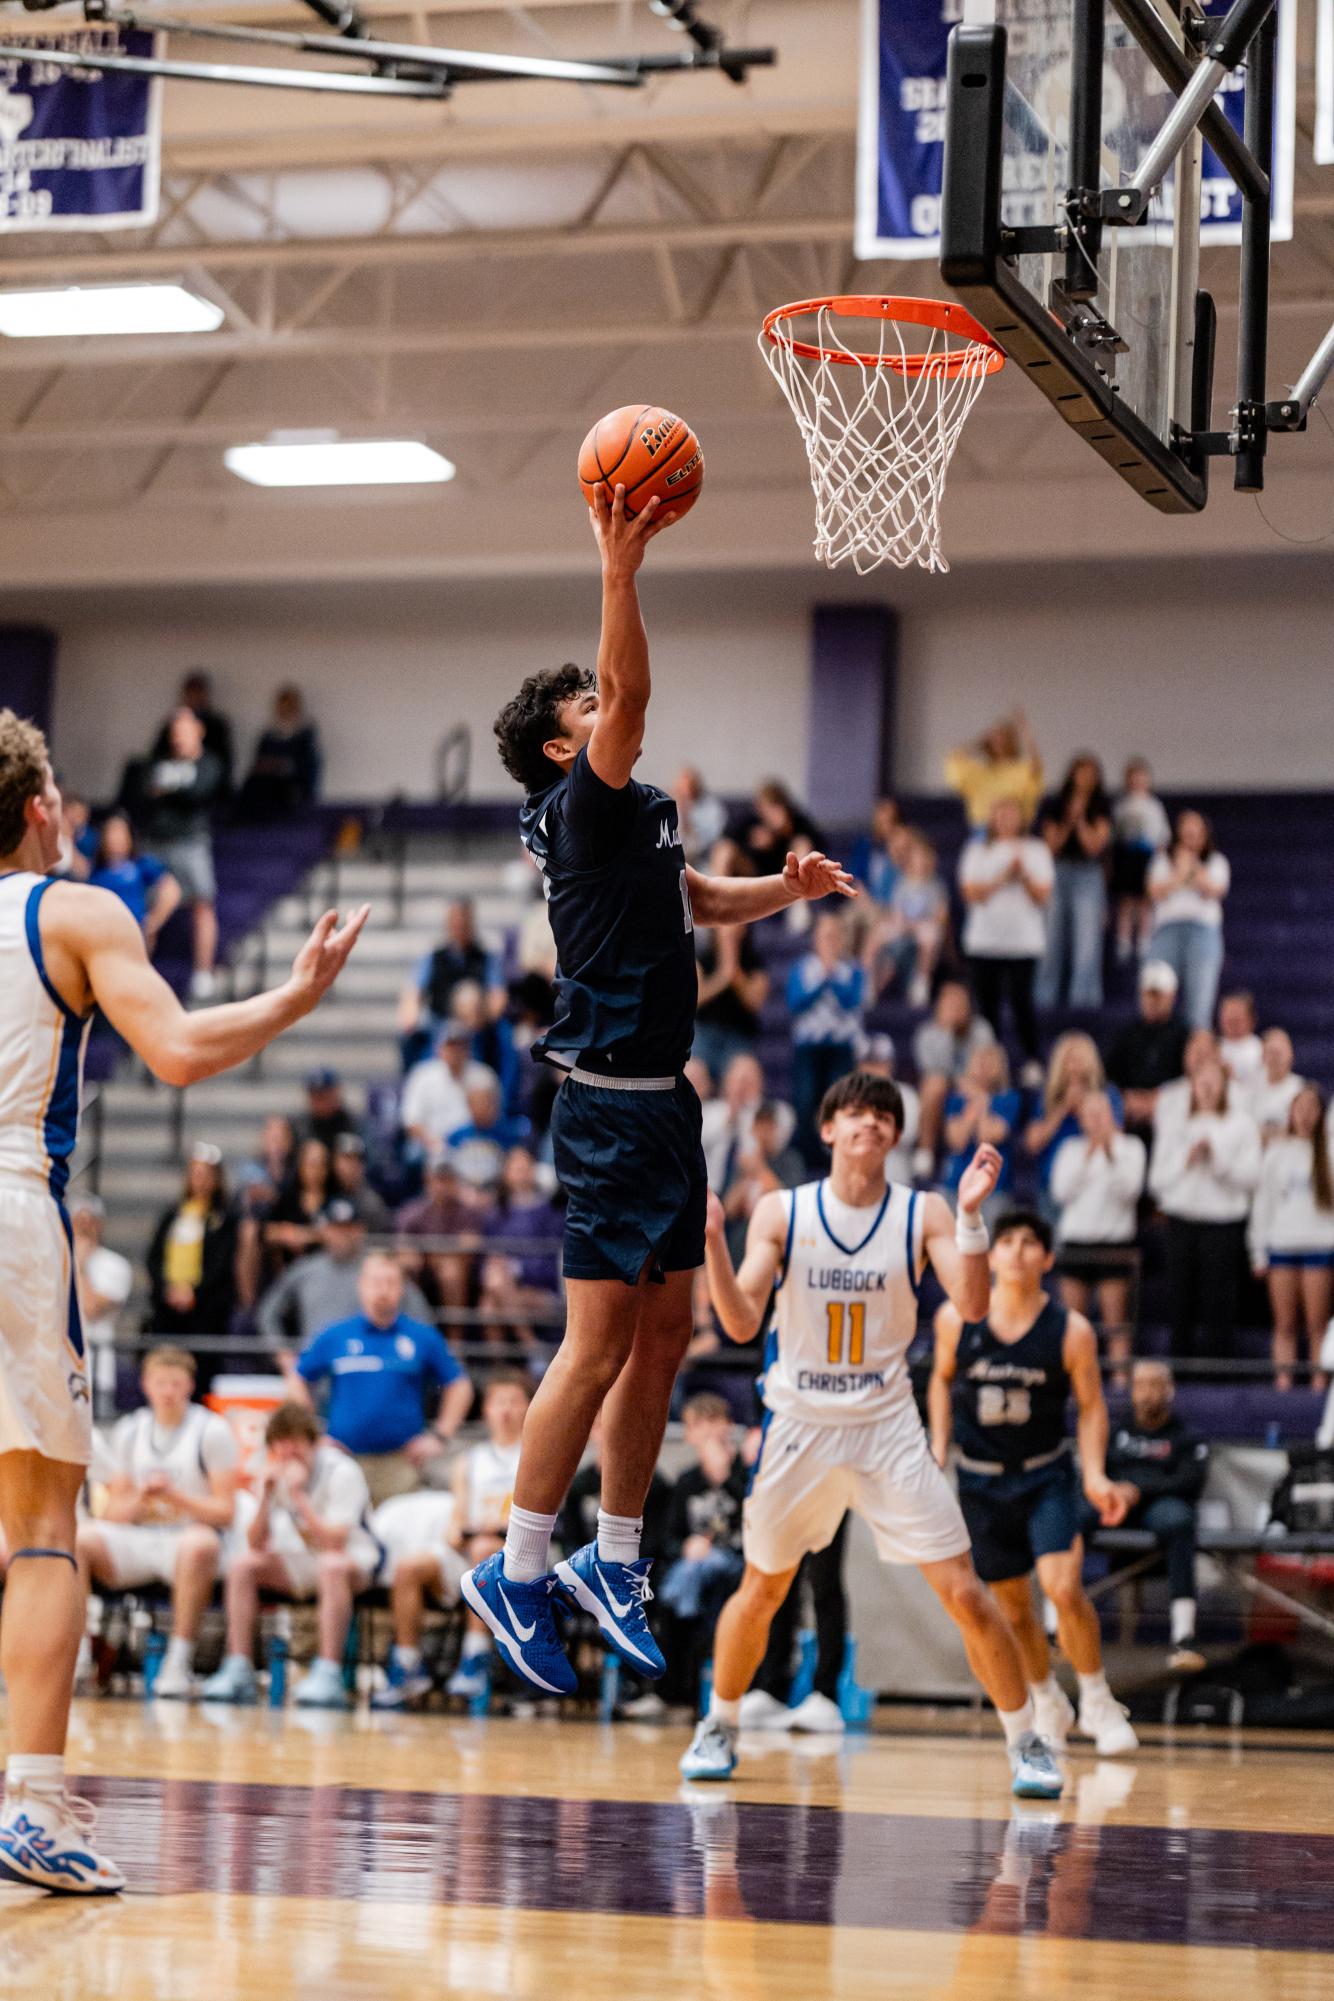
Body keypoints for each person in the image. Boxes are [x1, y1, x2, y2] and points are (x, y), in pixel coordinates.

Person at [474, 482, 854, 1698]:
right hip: (602, 1105)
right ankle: (515, 1567)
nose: (606, 710)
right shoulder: (581, 805)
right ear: (559, 746)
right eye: (583, 710)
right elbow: (630, 695)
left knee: (667, 1337)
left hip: (665, 1104)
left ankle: (615, 1555)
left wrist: (783, 892)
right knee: (593, 1348)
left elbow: (690, 900)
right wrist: (617, 565)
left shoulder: (637, 816)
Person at [0, 706, 364, 1891]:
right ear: (42, 809)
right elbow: (179, 1052)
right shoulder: (74, 909)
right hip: (11, 1206)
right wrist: (294, 998)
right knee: (41, 1533)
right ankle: (32, 1807)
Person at [681, 1069, 1064, 1799]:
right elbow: (740, 1321)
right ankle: (718, 1724)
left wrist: (972, 1217)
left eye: (884, 1115)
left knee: (964, 1590)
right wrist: (713, 1248)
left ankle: (1027, 1741)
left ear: (895, 1135)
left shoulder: (924, 1211)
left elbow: (973, 1306)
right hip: (800, 1423)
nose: (871, 1122)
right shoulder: (783, 1210)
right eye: (855, 1112)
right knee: (762, 1588)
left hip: (886, 1425)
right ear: (827, 1129)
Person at [929, 1209, 1137, 1757]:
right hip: (981, 1480)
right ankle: (1047, 1700)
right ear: (990, 1254)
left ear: (1047, 1259)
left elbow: (1092, 1407)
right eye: (1007, 1241)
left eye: (1029, 1243)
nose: (1017, 1251)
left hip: (1046, 1474)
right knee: (1014, 1610)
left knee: (1063, 1588)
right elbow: (941, 1381)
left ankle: (1097, 1698)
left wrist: (1095, 1472)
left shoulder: (1071, 1329)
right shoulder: (955, 1318)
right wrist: (938, 1445)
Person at [76, 1347, 239, 1700]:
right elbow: (113, 1512)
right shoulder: (130, 1429)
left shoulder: (212, 1430)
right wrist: (141, 1498)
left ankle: (178, 1662)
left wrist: (175, 1497)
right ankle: (78, 1655)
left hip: (190, 1538)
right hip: (141, 1537)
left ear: (190, 1386)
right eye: (161, 1383)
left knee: (200, 1544)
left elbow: (226, 1512)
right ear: (145, 1385)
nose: (168, 1391)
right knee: (80, 1538)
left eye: (176, 1383)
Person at [201, 1403, 380, 1710]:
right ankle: (239, 1666)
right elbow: (255, 1543)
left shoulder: (341, 1471)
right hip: (305, 1560)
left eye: (295, 1442)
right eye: (281, 1443)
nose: (288, 1451)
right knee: (242, 1565)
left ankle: (329, 1671)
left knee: (331, 1566)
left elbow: (335, 1543)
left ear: (312, 1443)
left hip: (355, 1559)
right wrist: (267, 1496)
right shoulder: (271, 1473)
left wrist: (299, 1497)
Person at [284, 1250, 466, 1505]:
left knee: (399, 1527)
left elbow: (459, 1385)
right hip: (343, 1461)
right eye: (376, 1282)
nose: (383, 1290)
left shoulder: (421, 1336)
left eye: (390, 1282)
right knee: (341, 1524)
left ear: (402, 1288)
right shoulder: (336, 1335)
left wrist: (440, 1436)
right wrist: (313, 1434)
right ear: (361, 1286)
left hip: (400, 1464)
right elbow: (297, 1379)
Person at [1149, 1056, 1261, 1364]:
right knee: (1180, 1297)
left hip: (1223, 1223)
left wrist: (1217, 1160)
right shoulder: (1174, 1124)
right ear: (1192, 1086)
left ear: (1225, 1086)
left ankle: (1217, 1368)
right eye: (1202, 1082)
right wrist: (1186, 1159)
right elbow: (1157, 1180)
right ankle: (1180, 1366)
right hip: (1182, 1221)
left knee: (1219, 1298)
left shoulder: (1241, 1124)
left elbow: (1252, 1177)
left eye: (1214, 1082)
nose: (1208, 1089)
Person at [1103, 1360, 1209, 1673]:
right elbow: (1099, 1474)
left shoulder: (1187, 1436)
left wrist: (1136, 1487)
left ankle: (1184, 1637)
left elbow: (1190, 1481)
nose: (1147, 1393)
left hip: (1163, 1508)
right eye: (1140, 1385)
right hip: (1118, 1507)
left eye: (1155, 1384)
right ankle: (1055, 1631)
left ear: (1169, 1390)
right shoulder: (1115, 1433)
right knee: (1068, 1517)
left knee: (1179, 1520)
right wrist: (1117, 1491)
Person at [439, 1370, 533, 1702]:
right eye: (499, 1402)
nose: (506, 1410)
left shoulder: (538, 1455)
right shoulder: (470, 1461)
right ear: (486, 1410)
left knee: (483, 1550)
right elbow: (456, 1523)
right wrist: (457, 1532)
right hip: (473, 1551)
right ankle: (406, 1664)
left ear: (529, 1407)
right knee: (410, 1567)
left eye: (514, 1401)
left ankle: (475, 1654)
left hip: (524, 1557)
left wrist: (494, 1529)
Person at [657, 1392, 748, 1710]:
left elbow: (754, 1523)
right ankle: (673, 1692)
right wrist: (686, 1545)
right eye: (697, 1424)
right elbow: (668, 1537)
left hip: (736, 1563)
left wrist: (725, 1477)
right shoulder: (687, 1481)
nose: (707, 1430)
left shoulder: (744, 1474)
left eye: (713, 1420)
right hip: (696, 1565)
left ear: (729, 1426)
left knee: (698, 1578)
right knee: (688, 1572)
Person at [1050, 1091, 1147, 1381]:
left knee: (1115, 1323)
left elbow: (1130, 1191)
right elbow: (1060, 1192)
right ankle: (1072, 1380)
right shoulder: (1071, 1149)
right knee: (1072, 1322)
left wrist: (1108, 1153)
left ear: (1112, 1115)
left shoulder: (1130, 1148)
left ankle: (1119, 1382)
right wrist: (1088, 1156)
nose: (1095, 1120)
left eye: (1100, 1114)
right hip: (1076, 1243)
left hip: (1113, 1245)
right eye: (1089, 1115)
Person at [257, 1202, 433, 1352]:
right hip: (316, 1369)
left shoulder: (378, 1269)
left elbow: (420, 1314)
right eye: (337, 1228)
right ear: (324, 1230)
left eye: (349, 1227)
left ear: (361, 1229)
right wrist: (284, 1354)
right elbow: (268, 1312)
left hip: (369, 1365)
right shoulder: (305, 1270)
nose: (343, 1235)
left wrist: (407, 1357)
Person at [138, 705, 225, 1002]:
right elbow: (143, 789)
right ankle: (139, 971)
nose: (179, 736)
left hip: (191, 841)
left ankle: (203, 973)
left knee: (202, 902)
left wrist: (168, 789)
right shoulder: (159, 759)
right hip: (156, 840)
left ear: (198, 730)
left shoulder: (209, 762)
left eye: (185, 729)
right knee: (146, 907)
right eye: (175, 730)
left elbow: (199, 793)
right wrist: (173, 790)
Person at [1250, 1085, 1334, 1391]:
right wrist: (1258, 1251)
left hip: (1319, 1246)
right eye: (1300, 1108)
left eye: (1312, 1108)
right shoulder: (1277, 1153)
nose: (1306, 1115)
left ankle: (1318, 1383)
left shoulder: (1330, 1153)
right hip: (1282, 1245)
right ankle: (1283, 1383)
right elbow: (1263, 1206)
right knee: (1284, 1324)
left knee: (1317, 1324)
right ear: (1291, 1113)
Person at [959, 796, 1053, 1067]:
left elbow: (1043, 896)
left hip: (1023, 943)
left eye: (1011, 813)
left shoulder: (1036, 850)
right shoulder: (977, 850)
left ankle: (1032, 1060)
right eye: (1000, 814)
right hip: (984, 942)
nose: (1005, 820)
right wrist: (1002, 877)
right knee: (987, 1009)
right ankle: (991, 1065)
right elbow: (971, 893)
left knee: (1022, 1003)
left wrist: (1022, 875)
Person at [144, 1143, 239, 1373]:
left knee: (202, 1368)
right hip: (169, 1308)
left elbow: (222, 1264)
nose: (200, 1180)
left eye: (206, 1175)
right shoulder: (173, 1214)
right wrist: (168, 1289)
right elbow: (154, 1258)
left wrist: (194, 1291)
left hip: (206, 1310)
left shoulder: (224, 1219)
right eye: (196, 1174)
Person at [787, 910, 866, 1162]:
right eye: (825, 936)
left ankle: (835, 1151)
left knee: (840, 1099)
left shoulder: (852, 969)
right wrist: (824, 980)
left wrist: (831, 977)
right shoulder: (803, 968)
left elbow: (851, 1001)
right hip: (809, 1045)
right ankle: (807, 1154)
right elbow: (796, 1002)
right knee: (805, 1098)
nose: (830, 941)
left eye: (834, 936)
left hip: (840, 1045)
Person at [1035, 755, 1112, 1009]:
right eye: (1082, 772)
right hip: (1058, 871)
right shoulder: (1055, 804)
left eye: (1091, 773)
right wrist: (1069, 819)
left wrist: (1080, 820)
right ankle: (1045, 1001)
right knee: (1051, 941)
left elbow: (1094, 847)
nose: (1086, 778)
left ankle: (1083, 1004)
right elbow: (1051, 846)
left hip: (1088, 874)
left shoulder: (1101, 806)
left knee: (1087, 945)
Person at [1147, 810, 1231, 1031]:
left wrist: (1192, 866)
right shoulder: (1162, 861)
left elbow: (1215, 890)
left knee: (1200, 1002)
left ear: (1204, 837)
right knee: (1158, 990)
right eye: (1186, 835)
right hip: (1167, 931)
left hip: (1202, 932)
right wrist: (1177, 874)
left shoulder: (1216, 861)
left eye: (1195, 835)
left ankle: (1197, 1044)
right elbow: (1154, 891)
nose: (1190, 841)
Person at [398, 900, 506, 1072]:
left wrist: (480, 1016)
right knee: (408, 1037)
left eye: (463, 922)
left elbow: (497, 997)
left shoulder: (485, 958)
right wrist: (410, 1013)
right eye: (455, 922)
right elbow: (413, 991)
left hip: (476, 1024)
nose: (459, 926)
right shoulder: (433, 957)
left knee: (504, 1035)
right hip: (440, 1022)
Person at [478, 1147, 564, 1356]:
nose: (521, 1175)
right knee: (489, 1302)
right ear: (506, 1174)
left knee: (490, 1303)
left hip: (541, 1291)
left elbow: (552, 1261)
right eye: (516, 1169)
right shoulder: (496, 1215)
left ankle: (527, 1354)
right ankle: (527, 1351)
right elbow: (484, 1263)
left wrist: (514, 1268)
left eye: (525, 1169)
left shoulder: (550, 1213)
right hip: (505, 1289)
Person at [1022, 1033, 1122, 1212]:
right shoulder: (1047, 1097)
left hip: (1094, 1184)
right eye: (1070, 1060)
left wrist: (1087, 1110)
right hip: (1051, 1186)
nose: (1075, 1066)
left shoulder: (1107, 1094)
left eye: (1080, 1059)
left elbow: (1117, 1138)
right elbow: (1032, 1143)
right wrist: (1062, 1109)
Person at [912, 981, 997, 1175]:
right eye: (950, 1003)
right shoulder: (926, 1033)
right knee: (935, 1084)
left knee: (980, 1090)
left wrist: (965, 1081)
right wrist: (947, 1030)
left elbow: (987, 1065)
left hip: (976, 1085)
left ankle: (980, 1161)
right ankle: (925, 1151)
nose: (956, 1008)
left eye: (960, 1003)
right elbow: (933, 1068)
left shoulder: (981, 1029)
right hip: (945, 1087)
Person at [1104, 960, 1190, 1141]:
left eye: (1158, 996)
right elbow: (1109, 1075)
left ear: (1172, 996)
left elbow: (1191, 1076)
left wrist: (1159, 1098)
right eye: (1147, 995)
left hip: (1171, 1116)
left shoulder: (1185, 1034)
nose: (1152, 1001)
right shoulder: (1127, 1034)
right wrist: (1125, 1098)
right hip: (1130, 1117)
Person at [862, 828, 948, 1008]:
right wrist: (903, 924)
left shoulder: (936, 885)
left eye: (924, 858)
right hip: (903, 924)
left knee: (931, 935)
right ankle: (867, 980)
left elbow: (940, 916)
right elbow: (897, 910)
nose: (921, 863)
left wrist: (920, 925)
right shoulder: (902, 883)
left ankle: (922, 980)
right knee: (875, 935)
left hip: (924, 926)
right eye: (917, 858)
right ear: (910, 861)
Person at [68, 1196, 133, 1418]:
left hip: (97, 1369)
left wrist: (79, 1265)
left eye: (91, 1221)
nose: (84, 1227)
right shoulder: (54, 1259)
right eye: (79, 1221)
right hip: (57, 1365)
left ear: (100, 1225)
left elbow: (90, 1308)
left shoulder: (116, 1265)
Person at [940, 1044, 1022, 1218]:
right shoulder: (956, 1100)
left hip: (993, 1187)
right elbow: (957, 1141)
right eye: (979, 1061)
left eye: (990, 1061)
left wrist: (980, 1098)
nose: (984, 1066)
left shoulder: (1009, 1099)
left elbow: (987, 1137)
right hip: (956, 1184)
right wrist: (976, 1104)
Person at [395, 1155, 481, 1319]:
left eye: (447, 1180)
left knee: (450, 1271)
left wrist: (433, 1254)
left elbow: (469, 1247)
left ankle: (455, 1331)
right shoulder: (413, 1211)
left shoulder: (468, 1213)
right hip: (422, 1270)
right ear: (428, 1180)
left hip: (462, 1276)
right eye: (438, 1179)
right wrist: (435, 1255)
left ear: (456, 1182)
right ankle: (411, 1323)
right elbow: (403, 1245)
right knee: (407, 1264)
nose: (442, 1186)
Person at [400, 1021, 500, 1159]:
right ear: (439, 1048)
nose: (455, 1052)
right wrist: (434, 1144)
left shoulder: (484, 1076)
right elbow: (411, 1121)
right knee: (414, 1154)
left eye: (459, 1046)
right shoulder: (423, 1075)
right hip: (432, 1143)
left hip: (475, 1141)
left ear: (468, 1048)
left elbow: (495, 1116)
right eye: (450, 1046)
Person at [87, 812, 180, 952]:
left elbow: (172, 890)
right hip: (102, 937)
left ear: (130, 836)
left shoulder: (141, 863)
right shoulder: (94, 869)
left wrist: (153, 923)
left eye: (120, 832)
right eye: (111, 832)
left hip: (133, 937)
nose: (115, 838)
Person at [693, 919, 768, 1087]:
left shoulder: (753, 963)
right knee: (693, 1073)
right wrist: (723, 976)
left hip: (738, 1036)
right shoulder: (702, 959)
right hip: (703, 1033)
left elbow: (755, 1002)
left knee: (743, 1076)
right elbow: (695, 1000)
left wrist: (734, 970)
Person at [944, 709, 1043, 834]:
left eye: (1004, 738)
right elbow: (953, 759)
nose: (999, 742)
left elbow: (1037, 768)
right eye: (995, 738)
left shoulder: (1021, 769)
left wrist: (1025, 732)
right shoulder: (978, 771)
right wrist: (980, 742)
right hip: (982, 829)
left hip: (1016, 831)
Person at [1110, 758, 1171, 963]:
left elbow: (1163, 835)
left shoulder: (1154, 806)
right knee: (1126, 901)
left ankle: (1144, 938)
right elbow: (1114, 834)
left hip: (1147, 856)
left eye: (1141, 777)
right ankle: (1124, 939)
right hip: (1127, 856)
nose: (1137, 782)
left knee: (1145, 900)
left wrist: (1158, 858)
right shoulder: (1121, 806)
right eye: (1133, 778)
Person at [237, 684, 321, 822]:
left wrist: (282, 765)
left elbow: (306, 764)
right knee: (253, 783)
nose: (285, 710)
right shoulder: (269, 733)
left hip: (290, 780)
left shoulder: (304, 733)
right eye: (282, 706)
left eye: (289, 706)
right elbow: (259, 759)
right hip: (267, 777)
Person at [151, 671, 235, 797]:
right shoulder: (171, 724)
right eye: (177, 733)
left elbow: (221, 765)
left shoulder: (216, 726)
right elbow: (156, 759)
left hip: (206, 790)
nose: (179, 739)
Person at [1252, 1027, 1305, 1143]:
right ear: (1262, 1055)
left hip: (1288, 1147)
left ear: (1291, 1055)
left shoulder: (1300, 1089)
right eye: (1271, 1052)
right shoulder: (1251, 1086)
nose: (1276, 1058)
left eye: (1280, 1053)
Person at [293, 1067, 363, 1154]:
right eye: (315, 1096)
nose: (321, 1102)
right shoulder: (299, 1129)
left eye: (325, 1095)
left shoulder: (354, 1125)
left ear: (337, 1093)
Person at [330, 1132, 390, 1232]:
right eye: (346, 1158)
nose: (351, 1166)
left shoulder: (371, 1203)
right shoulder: (323, 1190)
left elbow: (378, 1238)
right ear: (334, 1161)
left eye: (357, 1160)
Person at [671, 766, 728, 866]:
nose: (685, 791)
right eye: (682, 787)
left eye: (689, 786)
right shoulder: (669, 807)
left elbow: (713, 837)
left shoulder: (711, 807)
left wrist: (689, 820)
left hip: (705, 857)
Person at [1217, 990, 1263, 1100]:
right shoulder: (1213, 1047)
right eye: (1228, 1017)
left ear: (1251, 1019)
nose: (1231, 1021)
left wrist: (1232, 1080)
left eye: (1237, 1018)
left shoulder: (1260, 1051)